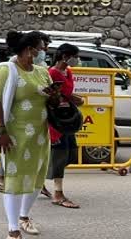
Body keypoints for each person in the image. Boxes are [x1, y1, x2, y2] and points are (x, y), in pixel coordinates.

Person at [0, 31, 53, 238]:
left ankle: (24, 217)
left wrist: (57, 97)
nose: (44, 52)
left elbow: (47, 100)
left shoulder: (42, 72)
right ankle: (13, 229)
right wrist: (1, 131)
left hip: (41, 136)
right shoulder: (6, 71)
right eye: (42, 48)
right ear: (29, 50)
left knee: (36, 177)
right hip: (15, 136)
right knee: (15, 179)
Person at [45, 43, 85, 209]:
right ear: (65, 56)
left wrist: (75, 98)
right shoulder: (51, 72)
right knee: (60, 155)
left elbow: (67, 93)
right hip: (56, 119)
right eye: (75, 56)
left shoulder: (68, 72)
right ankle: (58, 193)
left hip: (68, 118)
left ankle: (39, 181)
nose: (77, 59)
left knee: (70, 154)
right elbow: (50, 96)